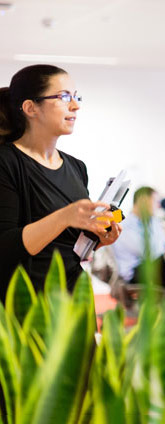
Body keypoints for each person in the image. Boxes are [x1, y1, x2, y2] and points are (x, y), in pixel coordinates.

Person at [0, 64, 120, 295]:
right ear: (30, 108)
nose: (75, 105)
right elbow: (5, 246)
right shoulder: (7, 163)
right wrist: (65, 217)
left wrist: (99, 238)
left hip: (74, 296)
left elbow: (69, 245)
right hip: (29, 303)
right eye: (64, 97)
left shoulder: (77, 167)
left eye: (76, 97)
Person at [110, 186, 165, 287]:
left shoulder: (152, 222)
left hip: (150, 267)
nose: (158, 206)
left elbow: (163, 246)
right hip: (134, 274)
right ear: (143, 201)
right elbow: (148, 252)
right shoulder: (124, 226)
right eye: (155, 201)